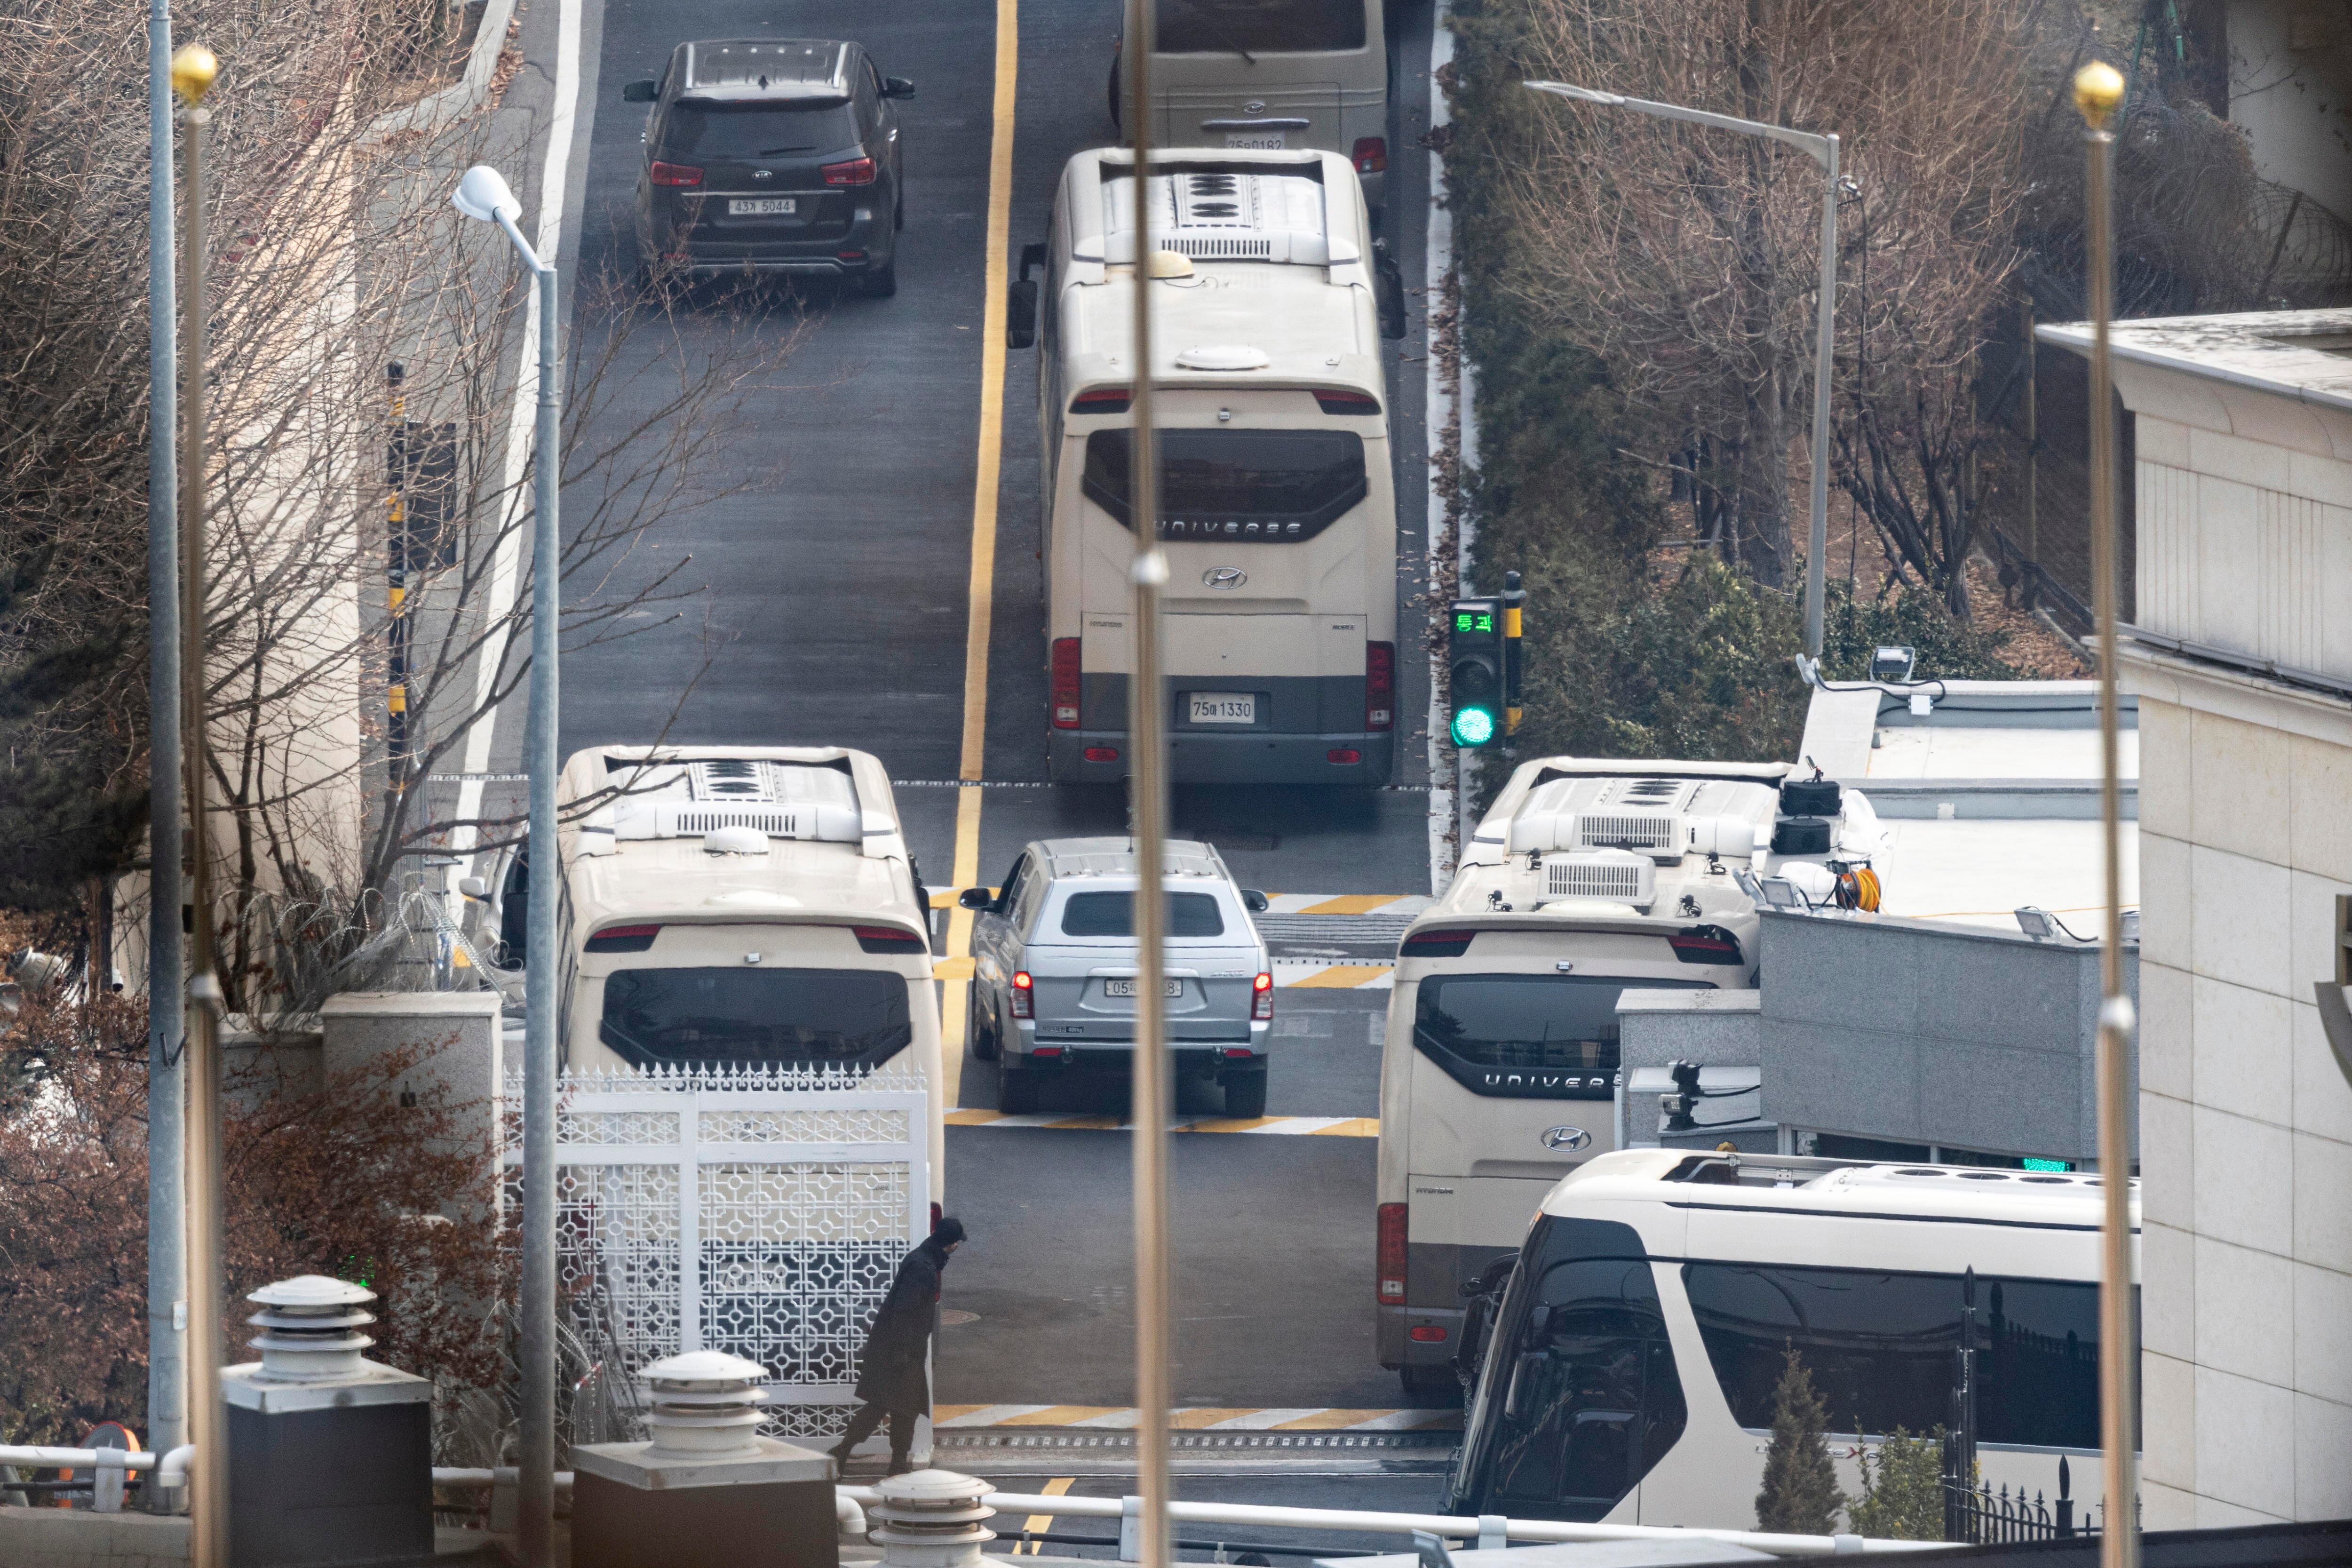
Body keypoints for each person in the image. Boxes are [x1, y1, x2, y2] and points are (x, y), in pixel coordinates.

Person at [829, 1215, 966, 1475]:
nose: (957, 1247)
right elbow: (904, 1311)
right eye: (957, 1242)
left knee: (902, 1406)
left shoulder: (924, 1259)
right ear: (949, 1243)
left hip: (901, 1349)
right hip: (899, 1351)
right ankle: (850, 1453)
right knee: (889, 1406)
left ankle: (891, 1462)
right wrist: (902, 1352)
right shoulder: (923, 1267)